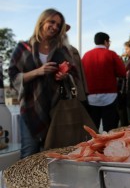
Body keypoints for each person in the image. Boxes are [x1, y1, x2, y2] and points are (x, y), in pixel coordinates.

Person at [8, 8, 78, 158]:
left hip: (56, 109)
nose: (55, 27)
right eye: (51, 22)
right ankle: (25, 182)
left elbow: (74, 74)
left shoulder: (62, 50)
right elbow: (13, 77)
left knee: (53, 153)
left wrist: (63, 76)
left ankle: (49, 182)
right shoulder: (23, 48)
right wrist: (38, 72)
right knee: (29, 152)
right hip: (30, 107)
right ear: (42, 21)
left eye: (58, 25)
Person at [81, 32, 126, 132]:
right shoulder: (111, 54)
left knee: (92, 130)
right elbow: (123, 72)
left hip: (91, 97)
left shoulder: (86, 55)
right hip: (110, 96)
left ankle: (93, 147)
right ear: (106, 41)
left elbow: (81, 74)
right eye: (109, 42)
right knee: (110, 130)